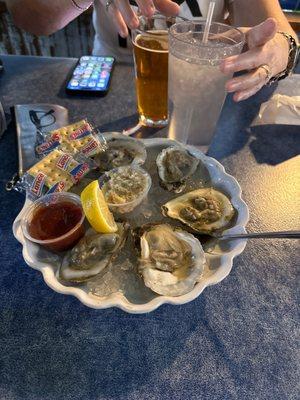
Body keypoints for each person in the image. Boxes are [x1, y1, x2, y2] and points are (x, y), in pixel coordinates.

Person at [6, 0, 299, 101]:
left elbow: (275, 27)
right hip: (109, 80)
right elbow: (28, 16)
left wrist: (279, 50)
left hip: (200, 86)